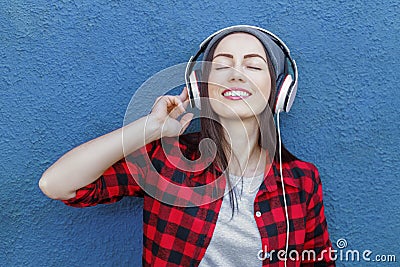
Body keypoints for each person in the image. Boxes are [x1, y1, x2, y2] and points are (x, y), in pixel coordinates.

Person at [39, 25, 336, 266]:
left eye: (253, 66)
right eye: (222, 65)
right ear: (199, 85)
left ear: (281, 89)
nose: (236, 73)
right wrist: (149, 128)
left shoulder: (301, 181)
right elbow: (56, 184)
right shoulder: (167, 161)